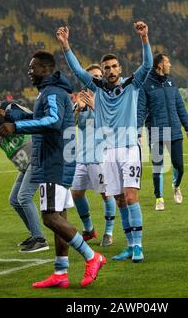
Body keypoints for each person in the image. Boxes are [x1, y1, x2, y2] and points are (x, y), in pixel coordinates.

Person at [0, 51, 105, 288]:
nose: (29, 71)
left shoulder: (53, 92)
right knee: (60, 217)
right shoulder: (50, 92)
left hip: (54, 161)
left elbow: (53, 121)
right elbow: (42, 117)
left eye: (32, 67)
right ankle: (60, 271)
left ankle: (91, 256)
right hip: (57, 159)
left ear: (45, 69)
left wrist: (15, 126)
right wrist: (7, 114)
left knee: (50, 217)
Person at [57, 21, 153, 263]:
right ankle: (130, 245)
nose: (110, 70)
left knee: (130, 196)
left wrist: (144, 38)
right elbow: (79, 71)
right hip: (108, 152)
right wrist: (66, 45)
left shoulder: (133, 84)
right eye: (106, 67)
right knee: (120, 199)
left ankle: (139, 245)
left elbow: (148, 64)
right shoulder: (97, 87)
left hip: (130, 148)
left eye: (113, 66)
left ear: (120, 68)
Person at [0, 98, 49, 253]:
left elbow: (30, 117)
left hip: (37, 157)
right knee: (15, 200)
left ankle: (40, 240)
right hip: (26, 165)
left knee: (24, 197)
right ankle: (35, 234)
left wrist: (3, 112)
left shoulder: (10, 107)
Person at [138, 53, 188, 211]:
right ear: (160, 65)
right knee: (158, 167)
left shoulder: (171, 82)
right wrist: (137, 130)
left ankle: (176, 186)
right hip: (156, 130)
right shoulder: (146, 84)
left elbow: (179, 105)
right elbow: (140, 109)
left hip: (175, 130)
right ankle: (159, 198)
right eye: (168, 62)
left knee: (179, 166)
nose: (170, 65)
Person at [72, 64, 117, 247]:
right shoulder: (81, 98)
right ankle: (89, 229)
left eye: (99, 76)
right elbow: (74, 123)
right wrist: (79, 109)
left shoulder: (107, 97)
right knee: (76, 193)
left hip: (101, 155)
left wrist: (93, 105)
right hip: (82, 156)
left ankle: (109, 232)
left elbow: (111, 124)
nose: (97, 79)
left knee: (106, 194)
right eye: (93, 76)